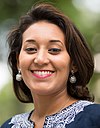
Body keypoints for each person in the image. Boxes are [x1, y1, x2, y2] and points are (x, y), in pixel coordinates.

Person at [1, 2, 100, 128]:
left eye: (54, 50)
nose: (40, 59)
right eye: (31, 49)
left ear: (73, 64)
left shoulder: (95, 119)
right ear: (18, 62)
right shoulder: (8, 126)